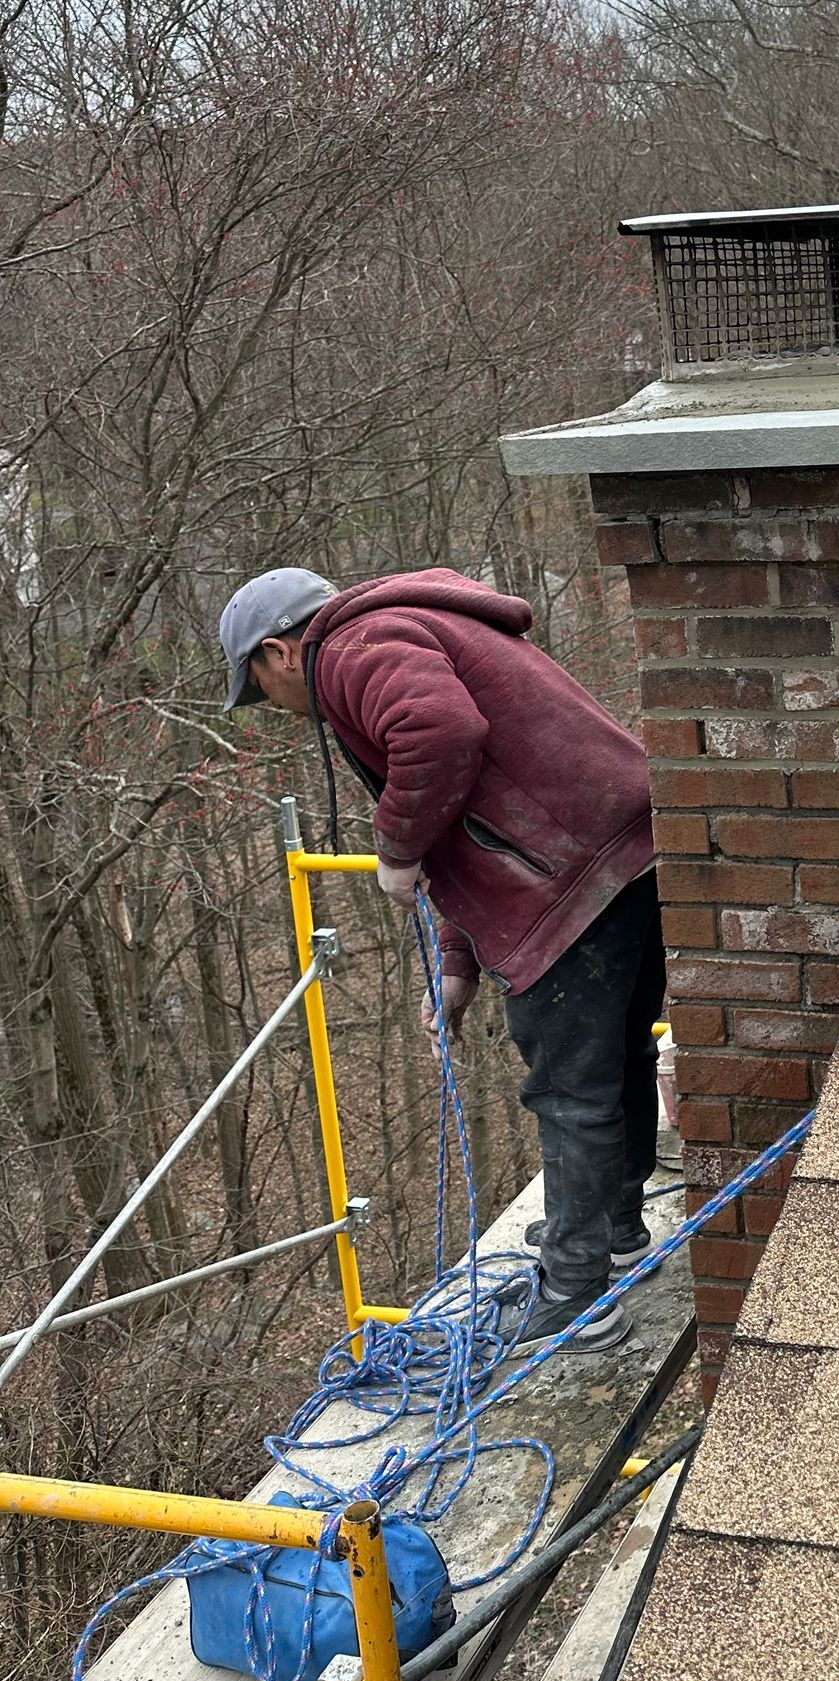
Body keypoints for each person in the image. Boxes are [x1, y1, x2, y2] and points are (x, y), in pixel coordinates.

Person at [218, 564, 658, 1350]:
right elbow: (471, 824)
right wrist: (457, 966)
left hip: (570, 878)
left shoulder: (354, 646)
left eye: (259, 687)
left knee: (568, 1093)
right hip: (616, 857)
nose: (274, 710)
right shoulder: (397, 633)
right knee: (614, 1058)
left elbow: (444, 735)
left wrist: (394, 844)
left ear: (280, 652)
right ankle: (610, 1237)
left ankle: (577, 1298)